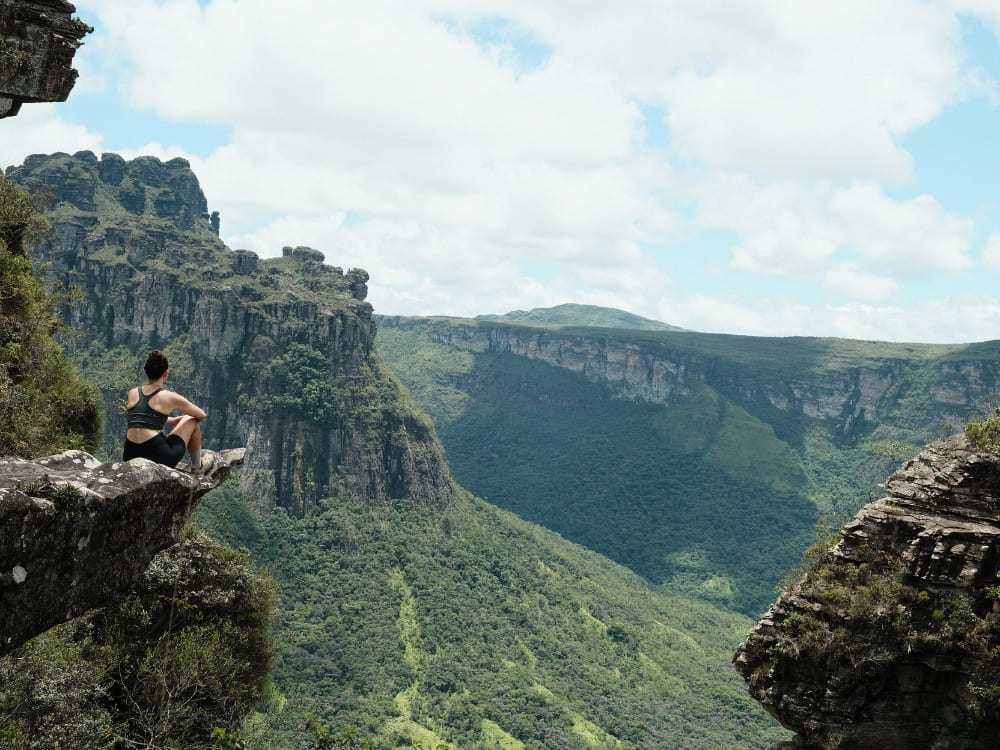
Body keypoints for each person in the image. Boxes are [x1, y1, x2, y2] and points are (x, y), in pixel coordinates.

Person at [122, 350, 215, 475]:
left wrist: (170, 420)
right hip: (159, 457)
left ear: (147, 372)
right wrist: (182, 420)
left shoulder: (132, 392)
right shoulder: (169, 396)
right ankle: (197, 467)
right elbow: (201, 415)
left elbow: (141, 417)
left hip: (130, 455)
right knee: (191, 419)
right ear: (165, 374)